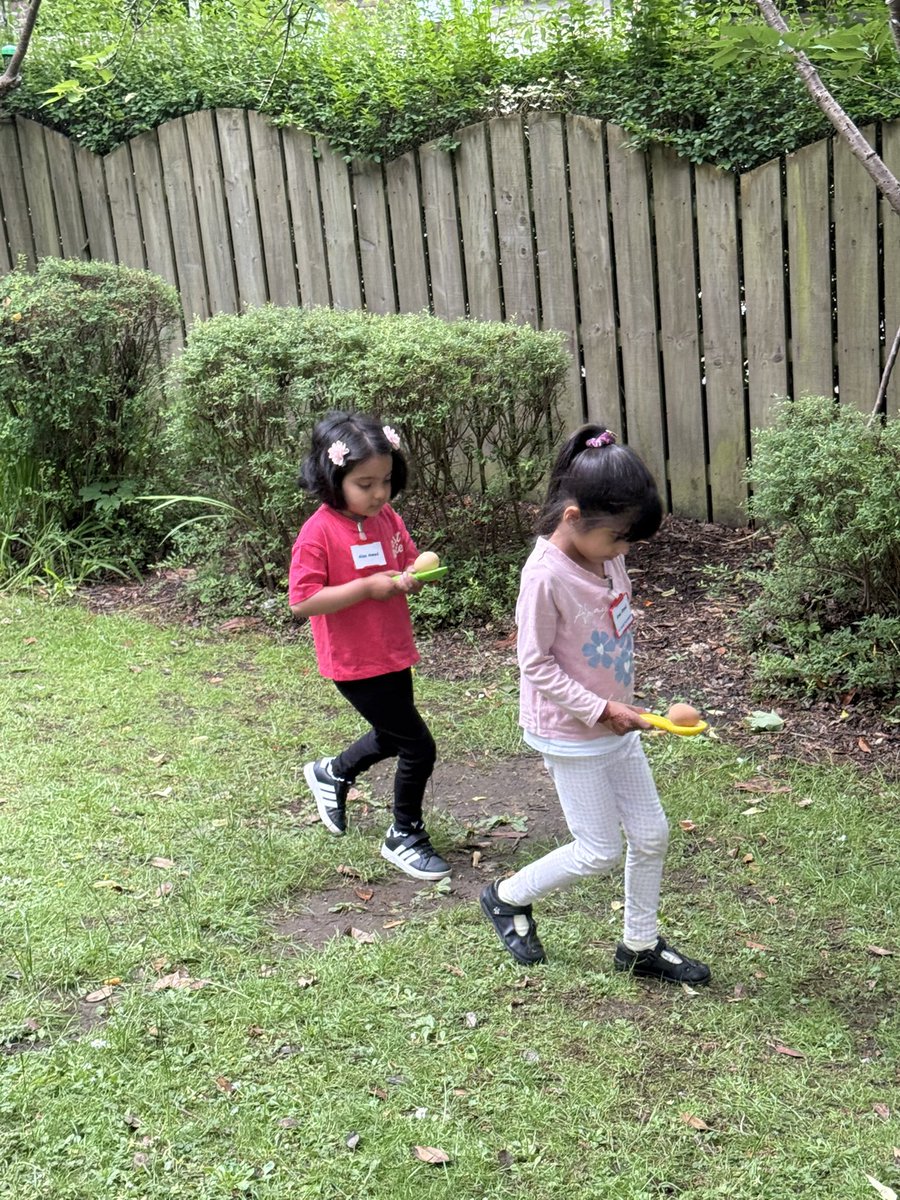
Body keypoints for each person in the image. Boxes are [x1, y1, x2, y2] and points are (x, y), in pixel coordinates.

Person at [480, 425, 710, 984]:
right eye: (620, 538)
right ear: (572, 516)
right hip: (571, 731)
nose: (625, 551)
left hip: (616, 722)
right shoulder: (543, 577)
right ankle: (506, 896)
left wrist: (620, 709)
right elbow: (534, 665)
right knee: (598, 849)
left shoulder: (604, 556)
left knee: (651, 833)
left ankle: (639, 944)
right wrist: (603, 709)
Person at [288, 411, 450, 882]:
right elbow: (302, 602)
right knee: (417, 746)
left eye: (385, 481)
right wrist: (366, 588)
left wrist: (412, 576)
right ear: (330, 476)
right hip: (354, 660)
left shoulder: (385, 517)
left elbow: (403, 562)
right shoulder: (317, 534)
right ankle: (405, 835)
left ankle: (331, 772)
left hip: (392, 648)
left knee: (392, 733)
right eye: (365, 484)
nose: (379, 494)